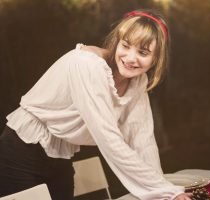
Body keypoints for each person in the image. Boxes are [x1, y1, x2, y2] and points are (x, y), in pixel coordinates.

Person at [0, 9, 192, 200]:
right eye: (125, 45)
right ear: (117, 42)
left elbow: (142, 139)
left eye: (142, 52)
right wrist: (166, 190)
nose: (131, 58)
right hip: (22, 147)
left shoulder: (137, 81)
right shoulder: (88, 65)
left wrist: (164, 193)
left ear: (156, 59)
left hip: (61, 153)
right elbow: (108, 137)